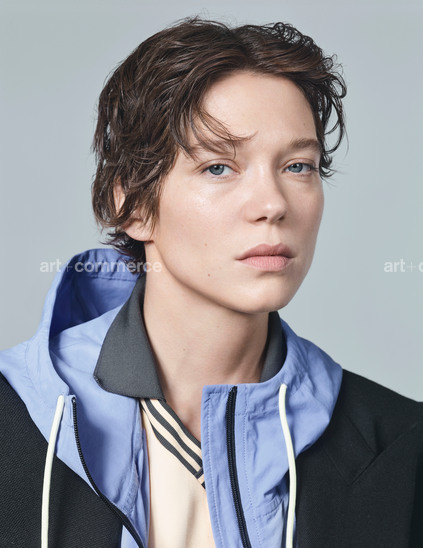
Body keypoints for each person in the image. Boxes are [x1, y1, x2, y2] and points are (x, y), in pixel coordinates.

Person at [0, 16, 421, 548]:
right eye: (218, 168)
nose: (272, 204)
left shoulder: (401, 444)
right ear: (132, 205)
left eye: (298, 166)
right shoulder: (17, 416)